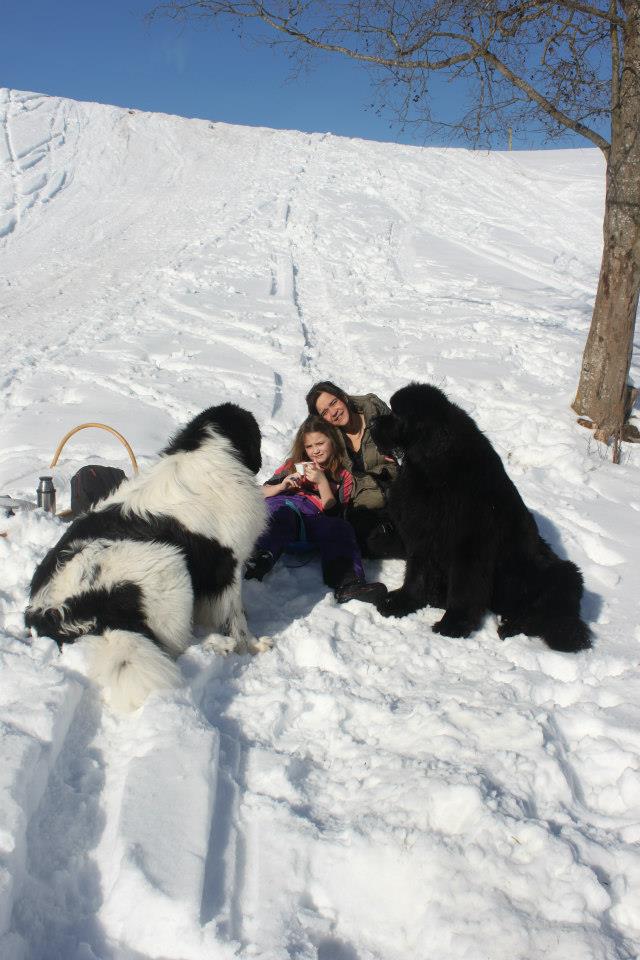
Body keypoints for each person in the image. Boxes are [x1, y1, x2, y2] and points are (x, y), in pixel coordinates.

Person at [245, 415, 387, 604]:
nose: (315, 451)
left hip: (312, 521)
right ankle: (258, 560)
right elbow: (259, 493)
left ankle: (348, 582)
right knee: (283, 512)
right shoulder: (292, 465)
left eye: (320, 443)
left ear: (332, 441)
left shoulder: (342, 475)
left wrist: (322, 482)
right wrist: (282, 486)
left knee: (340, 527)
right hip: (283, 513)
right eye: (309, 446)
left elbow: (334, 513)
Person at [305, 381, 405, 559]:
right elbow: (304, 451)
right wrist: (278, 481)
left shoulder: (375, 414)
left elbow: (408, 437)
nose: (333, 412)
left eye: (333, 403)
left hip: (400, 493)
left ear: (343, 397)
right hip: (367, 504)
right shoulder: (329, 437)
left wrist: (401, 453)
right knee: (361, 536)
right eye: (325, 412)